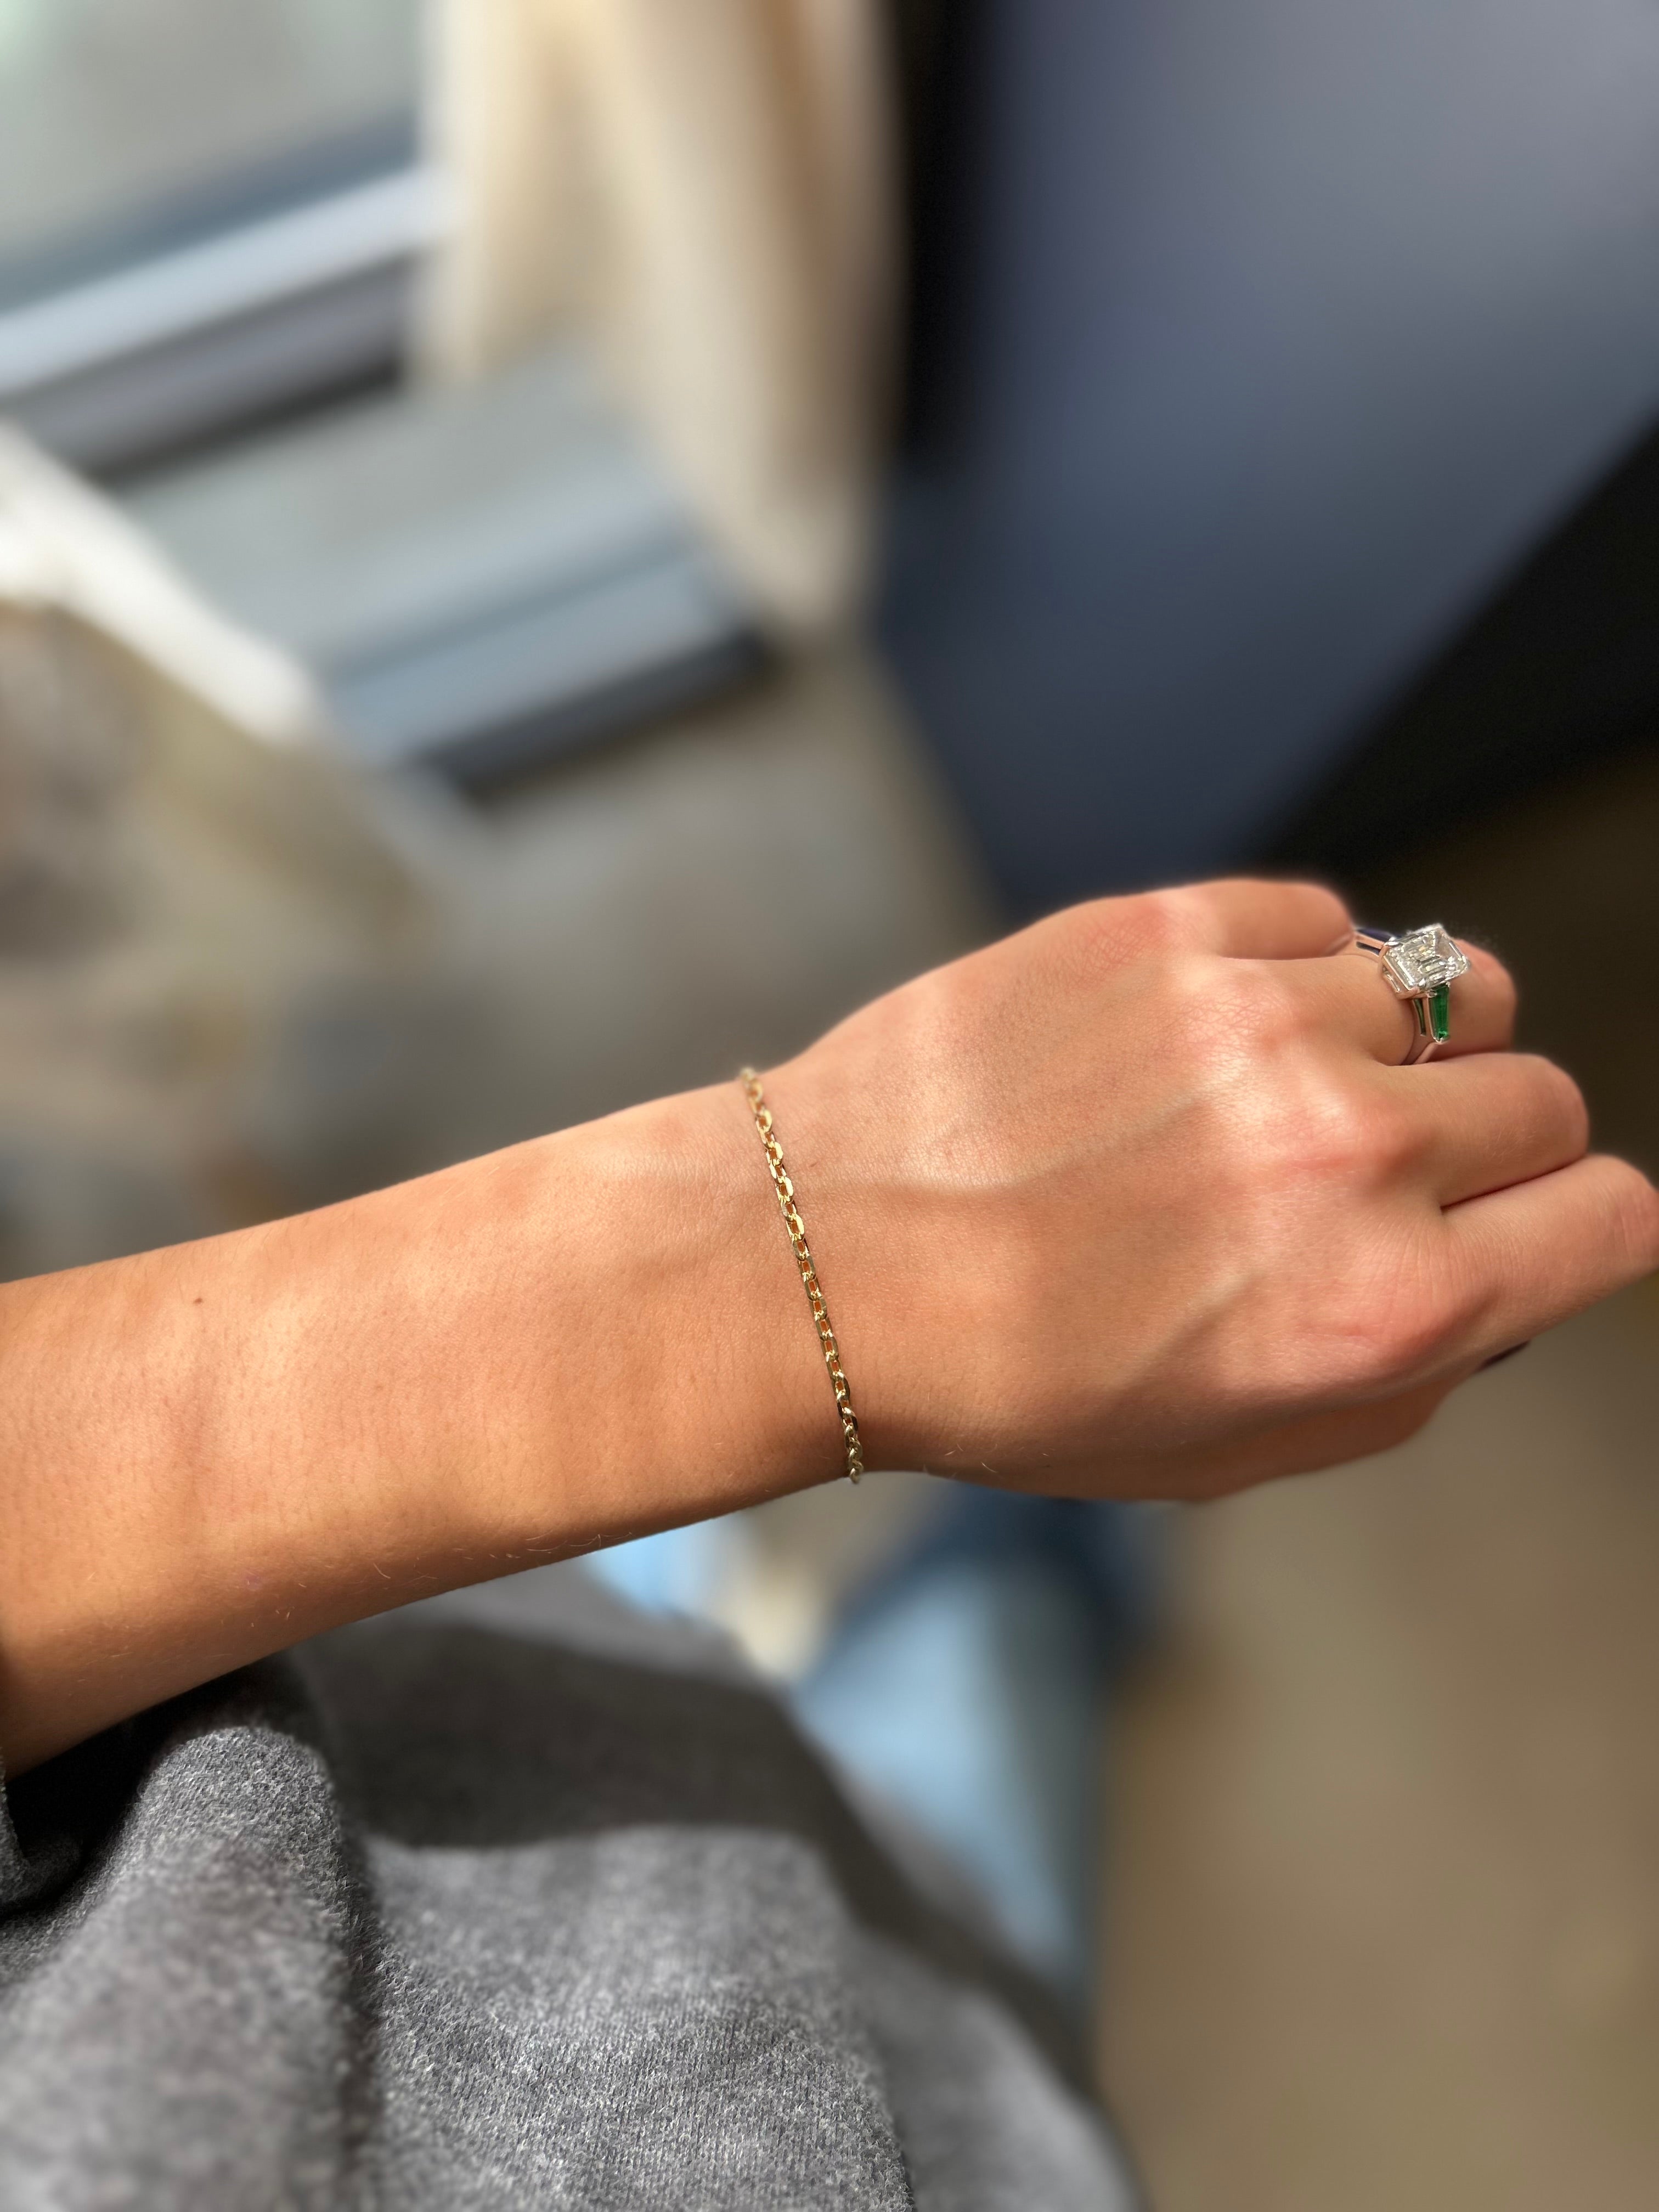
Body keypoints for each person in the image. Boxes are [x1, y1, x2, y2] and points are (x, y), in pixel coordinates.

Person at [2, 879, 1652, 2208]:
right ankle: (1044, 1567)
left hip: (390, 1672)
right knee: (986, 1639)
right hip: (870, 2067)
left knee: (915, 1628)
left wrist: (828, 1244)